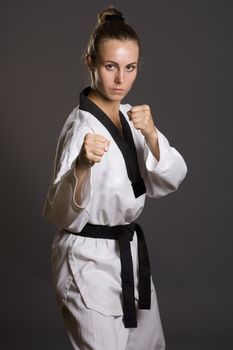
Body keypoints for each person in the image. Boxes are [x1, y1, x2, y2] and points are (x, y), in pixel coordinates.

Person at [43, 6, 187, 350]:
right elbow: (61, 213)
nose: (121, 80)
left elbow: (168, 180)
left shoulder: (129, 116)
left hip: (129, 256)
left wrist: (152, 135)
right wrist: (80, 166)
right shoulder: (81, 128)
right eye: (111, 67)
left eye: (130, 68)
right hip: (86, 261)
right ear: (90, 61)